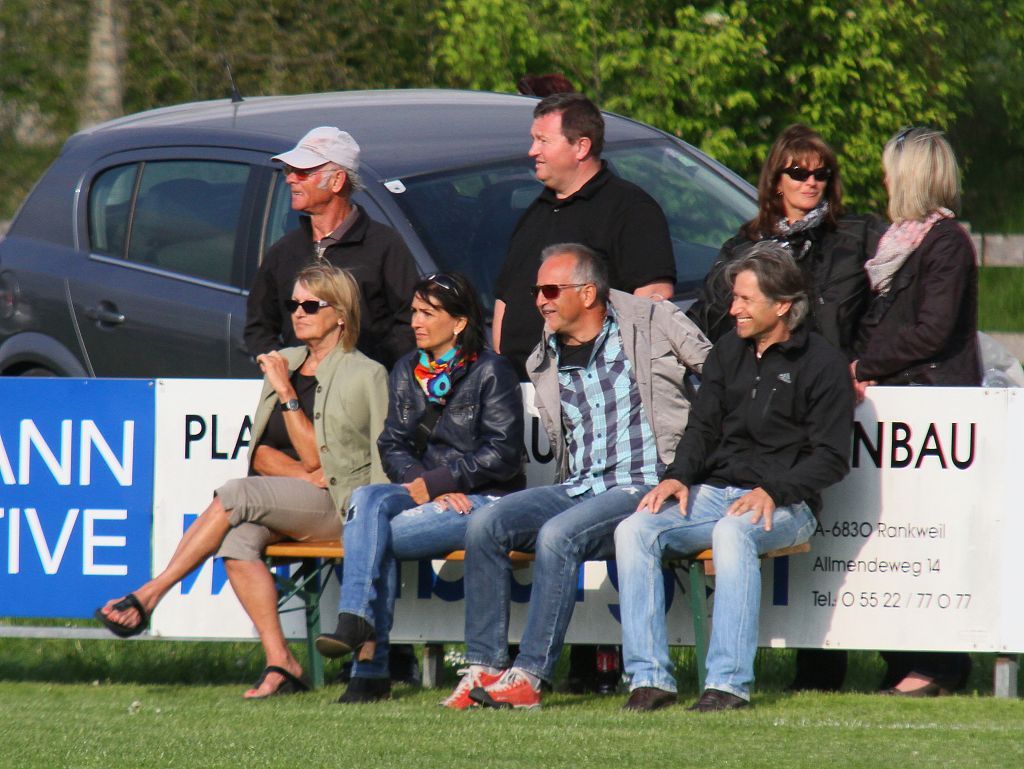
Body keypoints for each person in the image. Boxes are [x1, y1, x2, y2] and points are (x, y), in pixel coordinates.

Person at [95, 263, 388, 699]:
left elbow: (357, 457)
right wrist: (304, 472)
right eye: (293, 304)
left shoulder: (366, 374)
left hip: (342, 507)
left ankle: (150, 594)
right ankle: (282, 663)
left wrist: (287, 394)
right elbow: (261, 453)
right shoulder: (286, 362)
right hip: (294, 497)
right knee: (237, 541)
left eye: (310, 305)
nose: (298, 312)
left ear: (341, 315)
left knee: (235, 493)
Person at [441, 243, 710, 710]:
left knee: (557, 535)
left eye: (550, 290)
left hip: (645, 483)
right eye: (536, 291)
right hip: (580, 484)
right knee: (485, 523)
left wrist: (693, 462)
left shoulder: (651, 320)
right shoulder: (541, 356)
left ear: (588, 293)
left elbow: (719, 376)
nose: (539, 300)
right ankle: (484, 667)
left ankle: (529, 676)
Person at [686, 123, 884, 691]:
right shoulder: (742, 249)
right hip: (761, 399)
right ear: (776, 179)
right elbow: (706, 321)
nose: (811, 181)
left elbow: (880, 311)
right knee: (745, 524)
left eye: (822, 173)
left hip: (825, 394)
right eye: (798, 171)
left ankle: (821, 668)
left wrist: (864, 362)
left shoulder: (855, 237)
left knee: (829, 539)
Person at [615, 243, 854, 712]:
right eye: (734, 298)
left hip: (789, 503)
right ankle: (650, 680)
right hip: (716, 492)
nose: (733, 309)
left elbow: (831, 458)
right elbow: (702, 427)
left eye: (745, 299)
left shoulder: (823, 363)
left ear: (782, 305)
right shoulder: (728, 350)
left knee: (732, 532)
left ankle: (727, 685)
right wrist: (678, 476)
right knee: (634, 530)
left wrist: (774, 491)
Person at [312, 272, 525, 704]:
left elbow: (503, 453)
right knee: (367, 498)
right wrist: (423, 483)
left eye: (428, 313)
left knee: (371, 533)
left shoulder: (492, 370)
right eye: (413, 312)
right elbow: (391, 443)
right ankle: (355, 620)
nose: (415, 322)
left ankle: (369, 667)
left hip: (484, 500)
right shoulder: (407, 368)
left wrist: (440, 482)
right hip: (424, 491)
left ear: (459, 322)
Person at [852, 126, 979, 696]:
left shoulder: (946, 243)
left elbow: (933, 330)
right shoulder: (899, 241)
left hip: (933, 409)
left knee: (929, 538)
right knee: (893, 536)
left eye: (890, 171)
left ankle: (937, 665)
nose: (884, 180)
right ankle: (903, 656)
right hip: (898, 404)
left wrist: (864, 364)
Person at [492, 93, 678, 378]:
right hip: (519, 387)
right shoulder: (536, 212)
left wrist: (607, 378)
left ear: (581, 147)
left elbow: (652, 301)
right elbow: (505, 299)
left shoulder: (630, 209)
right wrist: (503, 372)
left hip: (592, 386)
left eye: (543, 141)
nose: (532, 151)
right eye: (533, 140)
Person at [245, 125, 420, 369]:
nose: (290, 179)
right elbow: (259, 327)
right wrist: (286, 368)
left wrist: (369, 371)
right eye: (289, 170)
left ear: (337, 180)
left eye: (302, 172)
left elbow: (411, 322)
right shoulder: (284, 251)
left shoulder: (385, 246)